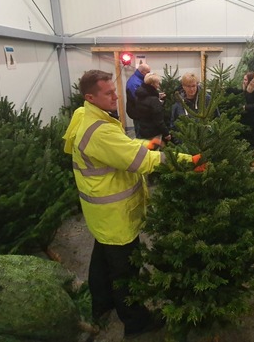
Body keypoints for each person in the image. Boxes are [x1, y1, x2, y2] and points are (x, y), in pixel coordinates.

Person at [62, 70, 201, 338]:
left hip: (99, 214)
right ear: (90, 97)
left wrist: (145, 144)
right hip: (116, 215)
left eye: (115, 90)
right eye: (109, 93)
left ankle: (101, 304)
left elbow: (120, 147)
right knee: (125, 271)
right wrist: (189, 162)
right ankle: (136, 321)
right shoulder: (99, 131)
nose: (116, 96)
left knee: (102, 260)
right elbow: (141, 161)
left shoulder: (84, 116)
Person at [134, 72, 170, 142]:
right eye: (157, 83)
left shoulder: (139, 96)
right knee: (154, 151)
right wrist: (166, 134)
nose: (158, 86)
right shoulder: (153, 100)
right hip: (154, 132)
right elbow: (159, 120)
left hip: (143, 130)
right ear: (152, 84)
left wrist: (157, 96)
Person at [126, 63, 150, 137]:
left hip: (140, 112)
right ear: (142, 72)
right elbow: (139, 99)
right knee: (141, 134)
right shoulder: (134, 83)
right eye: (148, 72)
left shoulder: (140, 80)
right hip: (137, 113)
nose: (149, 74)